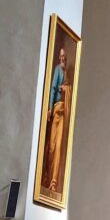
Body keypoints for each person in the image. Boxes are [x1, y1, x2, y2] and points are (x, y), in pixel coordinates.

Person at [44, 47, 68, 193]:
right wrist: (49, 108)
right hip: (56, 110)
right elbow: (53, 87)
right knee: (52, 146)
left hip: (63, 111)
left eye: (64, 56)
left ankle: (54, 182)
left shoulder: (67, 73)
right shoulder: (58, 70)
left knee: (58, 147)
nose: (62, 58)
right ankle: (48, 178)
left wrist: (66, 89)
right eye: (61, 56)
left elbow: (65, 88)